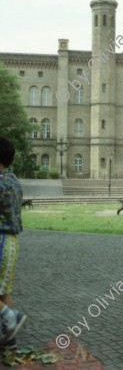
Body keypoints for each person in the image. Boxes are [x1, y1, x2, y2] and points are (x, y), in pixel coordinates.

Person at [0, 137, 28, 348]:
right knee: (4, 292)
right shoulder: (13, 180)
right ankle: (10, 342)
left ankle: (11, 317)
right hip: (11, 243)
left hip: (0, 239)